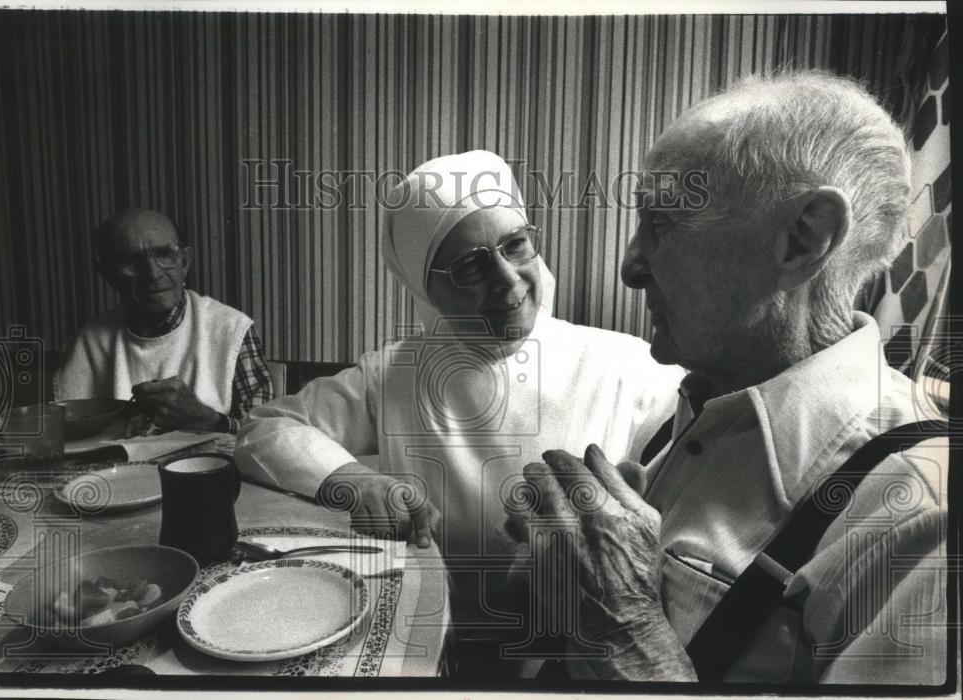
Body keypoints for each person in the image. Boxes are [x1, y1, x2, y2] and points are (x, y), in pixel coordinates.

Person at [511, 71, 949, 684]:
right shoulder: (693, 402)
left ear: (802, 240)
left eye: (662, 223)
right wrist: (559, 581)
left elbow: (625, 627)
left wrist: (628, 631)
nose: (630, 267)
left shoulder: (922, 520)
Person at [234, 150, 684, 667]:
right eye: (471, 266)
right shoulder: (395, 373)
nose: (508, 278)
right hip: (431, 648)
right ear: (426, 290)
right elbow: (265, 429)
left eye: (515, 244)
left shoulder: (628, 365)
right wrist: (359, 481)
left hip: (581, 661)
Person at [54, 208, 272, 434]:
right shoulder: (87, 342)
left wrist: (210, 421)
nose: (153, 273)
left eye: (164, 254)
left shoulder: (231, 330)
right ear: (108, 274)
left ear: (184, 262)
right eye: (132, 260)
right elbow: (65, 435)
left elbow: (266, 434)